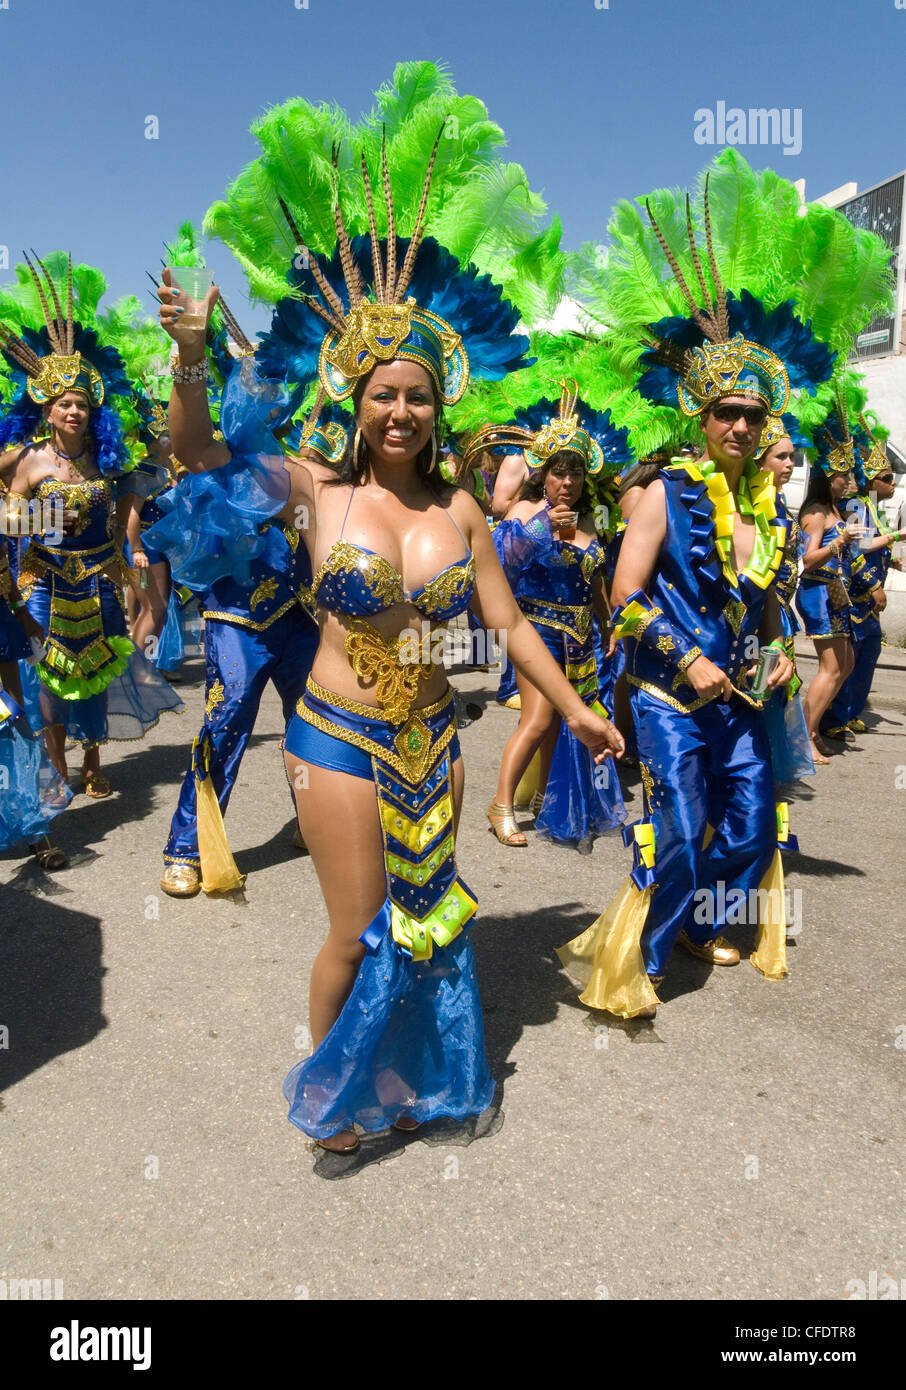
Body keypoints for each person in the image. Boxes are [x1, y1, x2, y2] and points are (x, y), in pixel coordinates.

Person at [170, 141, 624, 1152]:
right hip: (334, 738)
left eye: (417, 396)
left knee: (427, 922)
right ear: (355, 399)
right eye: (383, 394)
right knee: (356, 923)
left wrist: (582, 707)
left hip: (434, 745)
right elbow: (197, 452)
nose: (400, 412)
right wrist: (194, 358)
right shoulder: (316, 490)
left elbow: (503, 624)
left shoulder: (461, 507)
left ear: (438, 404)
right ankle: (331, 1096)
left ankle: (403, 1069)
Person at [558, 180, 837, 1017]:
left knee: (755, 822)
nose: (742, 428)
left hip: (747, 692)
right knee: (680, 825)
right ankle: (641, 957)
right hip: (671, 696)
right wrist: (686, 659)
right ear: (701, 415)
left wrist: (781, 645)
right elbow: (625, 598)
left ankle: (708, 918)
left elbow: (764, 607)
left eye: (754, 415)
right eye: (727, 413)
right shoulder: (662, 496)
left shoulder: (770, 511)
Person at [145, 304, 324, 898]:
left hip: (302, 618)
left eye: (278, 383)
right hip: (237, 622)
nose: (270, 393)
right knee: (223, 729)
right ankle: (187, 847)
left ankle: (315, 820)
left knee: (317, 727)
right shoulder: (231, 461)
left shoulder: (315, 451)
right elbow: (189, 442)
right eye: (258, 383)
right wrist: (190, 361)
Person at [0, 254, 183, 797]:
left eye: (81, 403)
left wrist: (128, 555)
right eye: (64, 404)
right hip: (46, 578)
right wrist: (48, 515)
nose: (74, 411)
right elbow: (9, 521)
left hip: (100, 576)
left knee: (96, 673)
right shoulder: (28, 460)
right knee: (49, 677)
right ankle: (57, 765)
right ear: (48, 411)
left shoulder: (108, 457)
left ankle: (93, 759)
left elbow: (148, 475)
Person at [476, 387, 630, 852]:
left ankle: (546, 795)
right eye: (558, 473)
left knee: (567, 718)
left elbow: (596, 581)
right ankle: (501, 804)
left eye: (576, 473)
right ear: (542, 475)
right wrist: (545, 526)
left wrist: (610, 625)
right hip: (535, 630)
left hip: (580, 634)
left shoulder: (589, 523)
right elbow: (505, 565)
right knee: (540, 718)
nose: (567, 482)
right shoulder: (524, 511)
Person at [820, 413, 905, 740]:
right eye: (887, 477)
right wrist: (896, 541)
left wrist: (892, 563)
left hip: (868, 599)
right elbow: (858, 549)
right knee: (849, 659)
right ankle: (834, 718)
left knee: (867, 654)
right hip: (858, 596)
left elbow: (872, 547)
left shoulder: (869, 506)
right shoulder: (856, 504)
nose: (893, 482)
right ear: (871, 480)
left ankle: (851, 710)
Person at [755, 415, 814, 782]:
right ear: (759, 460)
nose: (790, 464)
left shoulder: (779, 501)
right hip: (758, 620)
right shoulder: (754, 505)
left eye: (791, 457)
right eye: (781, 457)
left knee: (775, 695)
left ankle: (763, 769)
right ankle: (751, 770)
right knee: (758, 695)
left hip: (780, 618)